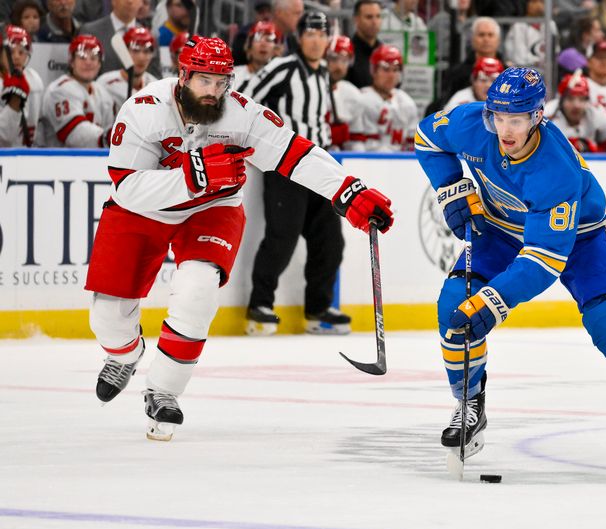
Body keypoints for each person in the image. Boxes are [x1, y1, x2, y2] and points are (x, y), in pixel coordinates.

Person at [85, 35, 393, 441]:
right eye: (204, 81)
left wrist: (346, 190)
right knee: (107, 318)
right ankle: (125, 353)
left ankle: (163, 391)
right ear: (183, 76)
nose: (214, 92)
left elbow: (294, 153)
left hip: (213, 210)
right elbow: (126, 187)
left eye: (221, 82)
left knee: (197, 292)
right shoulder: (144, 111)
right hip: (142, 210)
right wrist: (192, 178)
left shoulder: (242, 114)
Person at [414, 67, 606, 467]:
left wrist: (494, 302)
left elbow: (545, 259)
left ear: (537, 117)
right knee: (451, 307)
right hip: (498, 229)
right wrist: (450, 187)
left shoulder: (555, 167)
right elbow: (427, 136)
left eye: (516, 120)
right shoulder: (470, 122)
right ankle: (469, 404)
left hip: (582, 239)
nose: (505, 130)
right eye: (498, 117)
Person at [246, 11, 351, 335]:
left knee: (330, 239)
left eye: (322, 34)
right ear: (300, 37)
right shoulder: (283, 68)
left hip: (317, 166)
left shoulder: (321, 76)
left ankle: (317, 310)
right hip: (284, 164)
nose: (317, 40)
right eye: (311, 34)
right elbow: (247, 100)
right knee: (283, 235)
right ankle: (260, 305)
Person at [36, 34, 115, 147]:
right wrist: (108, 138)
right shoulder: (59, 90)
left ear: (99, 64)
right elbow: (75, 137)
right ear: (72, 62)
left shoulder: (102, 93)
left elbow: (109, 133)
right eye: (82, 57)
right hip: (56, 162)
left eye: (93, 58)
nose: (88, 62)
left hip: (93, 161)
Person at [349, 44, 418, 152]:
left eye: (395, 70)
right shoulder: (361, 100)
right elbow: (354, 144)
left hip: (401, 164)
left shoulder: (407, 103)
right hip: (366, 163)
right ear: (374, 71)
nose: (391, 75)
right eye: (386, 69)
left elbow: (412, 145)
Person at [80, 0, 162, 78]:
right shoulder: (91, 32)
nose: (130, 1)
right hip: (100, 90)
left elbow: (155, 76)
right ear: (113, 1)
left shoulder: (150, 36)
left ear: (141, 2)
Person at [97, 26, 159, 115]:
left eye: (146, 51)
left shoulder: (155, 86)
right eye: (135, 50)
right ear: (123, 51)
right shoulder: (105, 83)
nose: (141, 57)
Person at [0, 25, 43, 147]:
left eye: (21, 51)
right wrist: (14, 103)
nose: (17, 57)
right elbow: (2, 137)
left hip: (26, 156)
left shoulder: (34, 80)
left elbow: (37, 127)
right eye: (11, 51)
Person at [327, 35, 362, 150]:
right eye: (333, 59)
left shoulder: (353, 94)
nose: (339, 66)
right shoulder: (308, 88)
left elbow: (356, 140)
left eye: (344, 60)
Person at [232, 21, 281, 93]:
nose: (263, 44)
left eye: (269, 40)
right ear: (249, 47)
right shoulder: (233, 76)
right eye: (258, 39)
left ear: (276, 49)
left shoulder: (282, 78)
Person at [347, 0, 383, 89]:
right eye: (369, 17)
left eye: (378, 16)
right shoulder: (347, 53)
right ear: (356, 19)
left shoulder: (383, 51)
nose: (374, 22)